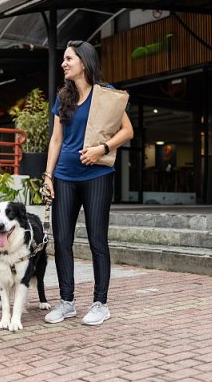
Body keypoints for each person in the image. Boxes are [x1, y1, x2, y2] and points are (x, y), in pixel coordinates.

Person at [42, 40, 134, 326]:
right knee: (63, 241)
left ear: (84, 61)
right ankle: (67, 302)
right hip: (64, 177)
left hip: (97, 176)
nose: (64, 64)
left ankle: (100, 303)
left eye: (69, 59)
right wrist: (48, 176)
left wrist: (102, 149)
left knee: (97, 240)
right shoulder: (63, 97)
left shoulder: (105, 95)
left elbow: (127, 130)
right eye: (64, 59)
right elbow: (56, 139)